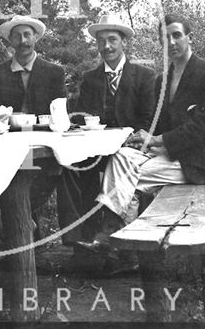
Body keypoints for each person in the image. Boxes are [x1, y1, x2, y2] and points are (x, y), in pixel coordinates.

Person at [79, 13, 205, 253]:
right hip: (175, 158)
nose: (172, 42)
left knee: (125, 177)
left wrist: (158, 140)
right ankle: (120, 235)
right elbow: (163, 125)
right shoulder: (162, 80)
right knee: (122, 157)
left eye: (177, 35)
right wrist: (147, 141)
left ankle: (113, 234)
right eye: (165, 37)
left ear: (189, 38)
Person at [61, 15, 155, 246]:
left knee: (119, 163)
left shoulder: (144, 76)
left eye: (112, 40)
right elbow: (82, 115)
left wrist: (133, 137)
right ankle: (80, 237)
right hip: (98, 148)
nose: (107, 46)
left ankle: (111, 235)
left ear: (124, 42)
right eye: (101, 41)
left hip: (130, 149)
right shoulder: (91, 78)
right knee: (70, 166)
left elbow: (150, 118)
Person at [0, 15, 68, 236]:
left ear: (35, 38)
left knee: (54, 171)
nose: (23, 41)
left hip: (44, 142)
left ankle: (20, 221)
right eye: (17, 36)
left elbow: (60, 112)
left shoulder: (53, 72)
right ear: (10, 40)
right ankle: (23, 224)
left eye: (27, 35)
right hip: (6, 142)